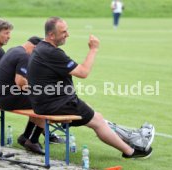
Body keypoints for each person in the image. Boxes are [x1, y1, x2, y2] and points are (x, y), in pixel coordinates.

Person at [27, 17, 154, 159]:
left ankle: (130, 140)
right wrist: (93, 49)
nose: (67, 34)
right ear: (51, 35)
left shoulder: (41, 49)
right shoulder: (52, 53)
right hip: (57, 105)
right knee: (98, 122)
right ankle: (131, 152)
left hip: (45, 103)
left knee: (95, 115)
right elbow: (83, 72)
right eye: (63, 32)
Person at [0, 37, 45, 155]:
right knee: (44, 101)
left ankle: (25, 137)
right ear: (35, 48)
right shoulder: (24, 56)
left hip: (0, 96)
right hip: (8, 99)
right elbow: (20, 82)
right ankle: (33, 140)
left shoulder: (14, 50)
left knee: (37, 98)